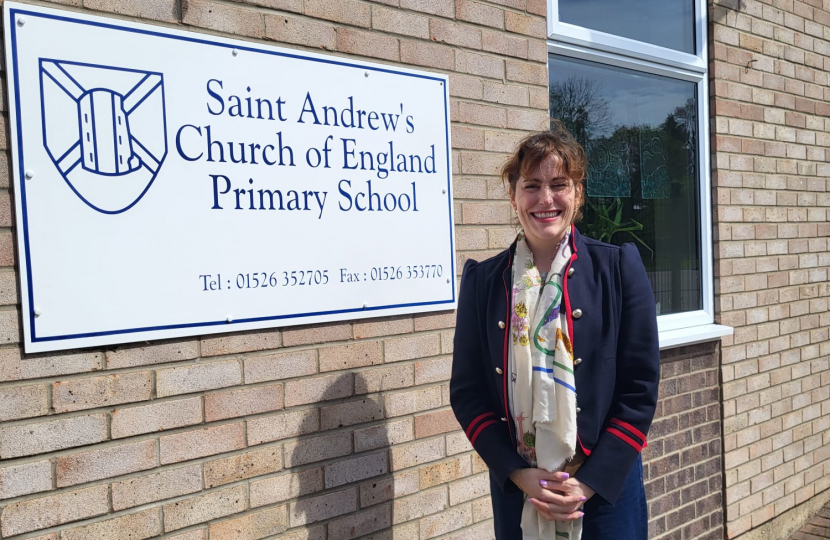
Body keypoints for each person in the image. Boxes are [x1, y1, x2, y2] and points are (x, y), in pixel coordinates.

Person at [450, 123, 660, 540]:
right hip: (520, 492)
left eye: (559, 184)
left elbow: (639, 388)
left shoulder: (618, 269)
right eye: (532, 185)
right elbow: (468, 392)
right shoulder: (483, 283)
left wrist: (586, 483)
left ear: (578, 194)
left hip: (604, 492)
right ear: (514, 197)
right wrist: (518, 474)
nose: (546, 198)